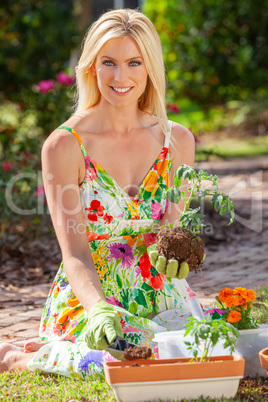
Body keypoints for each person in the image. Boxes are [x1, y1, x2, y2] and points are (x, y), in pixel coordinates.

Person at [0, 8, 195, 378]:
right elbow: (74, 254)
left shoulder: (178, 140)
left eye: (134, 62)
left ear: (150, 66)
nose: (121, 77)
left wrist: (177, 253)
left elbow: (172, 229)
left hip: (158, 290)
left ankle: (60, 350)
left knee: (199, 351)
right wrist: (98, 309)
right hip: (90, 294)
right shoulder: (65, 145)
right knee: (125, 362)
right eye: (109, 62)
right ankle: (17, 358)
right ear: (91, 66)